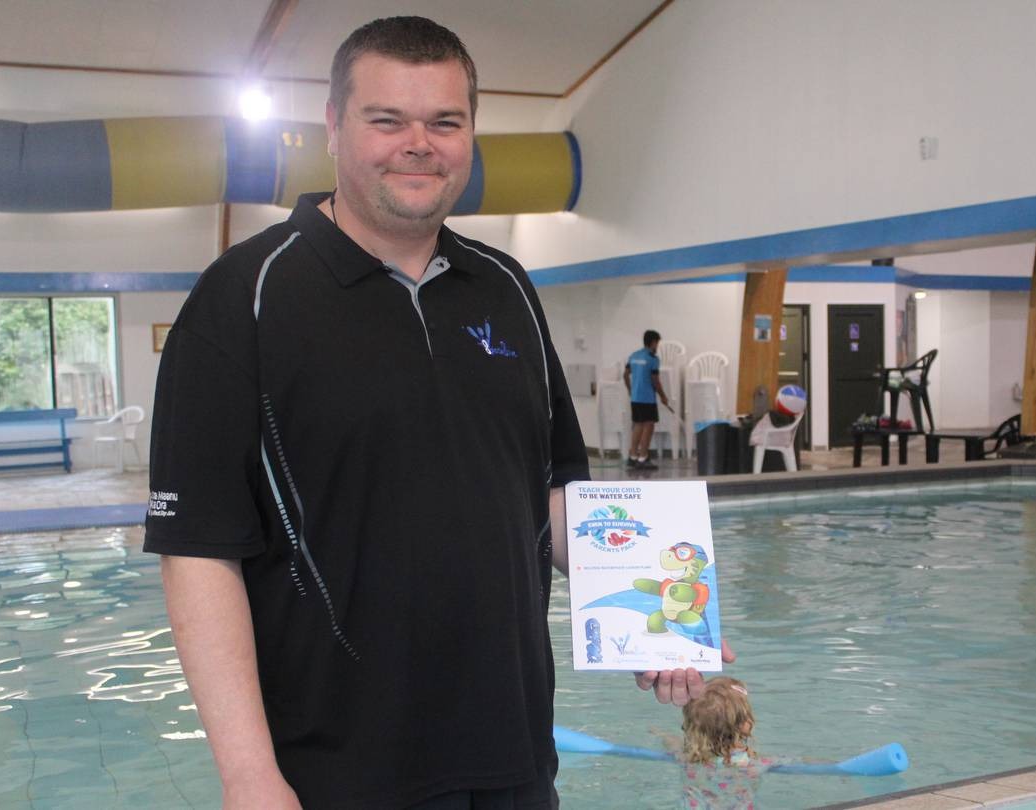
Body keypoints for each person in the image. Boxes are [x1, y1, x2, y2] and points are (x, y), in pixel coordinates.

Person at [144, 18, 722, 809]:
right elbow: (198, 550)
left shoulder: (506, 288)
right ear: (334, 127)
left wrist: (654, 617)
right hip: (336, 771)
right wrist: (248, 775)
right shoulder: (243, 298)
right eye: (387, 120)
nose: (418, 144)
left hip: (513, 755)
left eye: (444, 122)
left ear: (470, 134)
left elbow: (555, 495)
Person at [677, 677, 778, 810]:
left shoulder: (686, 755)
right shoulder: (750, 762)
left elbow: (672, 743)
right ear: (743, 725)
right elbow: (789, 761)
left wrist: (660, 734)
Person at [624, 329, 671, 470]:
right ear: (653, 342)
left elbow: (625, 375)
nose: (657, 346)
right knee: (648, 426)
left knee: (638, 425)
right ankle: (643, 457)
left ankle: (633, 456)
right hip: (647, 399)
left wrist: (630, 390)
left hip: (635, 398)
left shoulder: (634, 356)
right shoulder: (653, 359)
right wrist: (663, 396)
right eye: (657, 343)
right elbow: (655, 380)